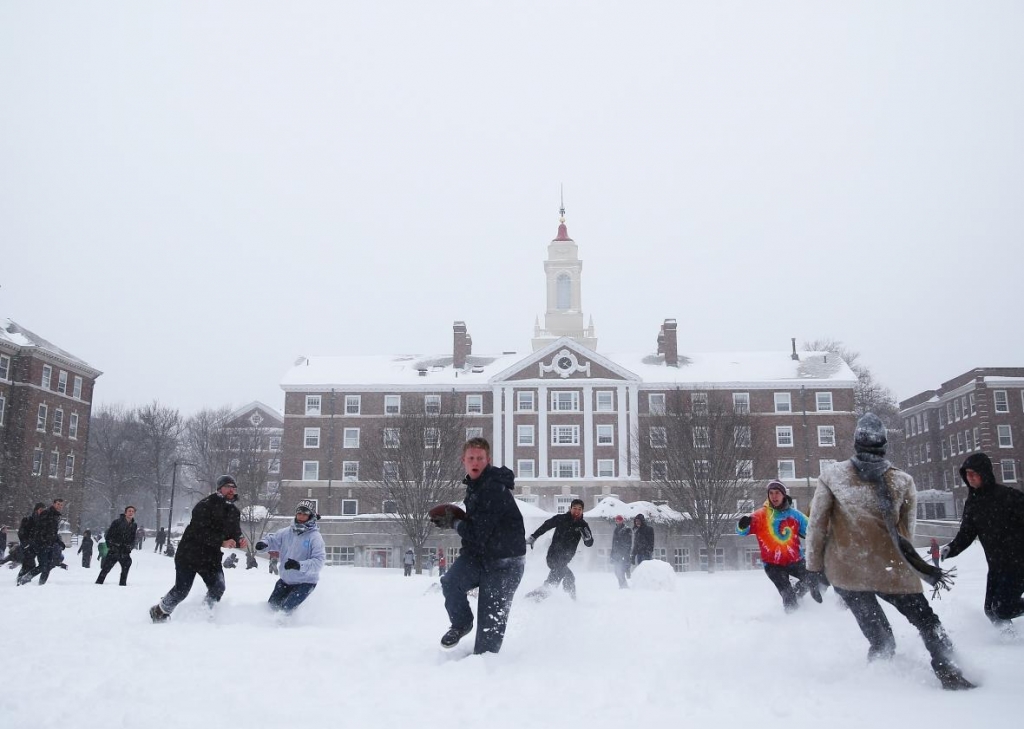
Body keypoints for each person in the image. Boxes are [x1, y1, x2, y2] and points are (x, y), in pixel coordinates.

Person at [805, 413, 974, 691]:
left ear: (856, 443)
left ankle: (879, 688)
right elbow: (906, 533)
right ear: (884, 444)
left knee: (881, 638)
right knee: (927, 621)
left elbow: (816, 527)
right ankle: (948, 669)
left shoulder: (832, 476)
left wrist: (813, 569)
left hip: (848, 573)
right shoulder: (902, 481)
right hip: (891, 569)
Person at [434, 437, 526, 654]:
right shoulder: (475, 486)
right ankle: (462, 623)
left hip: (506, 564)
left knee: (487, 639)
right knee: (451, 582)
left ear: (488, 460)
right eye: (471, 458)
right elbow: (477, 531)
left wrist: (455, 523)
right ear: (463, 461)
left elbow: (478, 531)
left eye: (480, 458)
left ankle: (484, 674)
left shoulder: (493, 488)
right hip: (480, 555)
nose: (475, 462)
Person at [941, 452, 1024, 631]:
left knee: (1002, 609)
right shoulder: (973, 503)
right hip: (996, 566)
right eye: (967, 474)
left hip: (1018, 564)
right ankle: (1009, 640)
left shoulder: (1009, 496)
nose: (969, 478)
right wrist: (951, 548)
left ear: (984, 473)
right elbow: (967, 534)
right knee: (990, 611)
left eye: (974, 473)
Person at [148, 475, 247, 622]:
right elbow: (199, 532)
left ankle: (203, 616)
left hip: (210, 558)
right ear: (219, 489)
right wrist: (222, 542)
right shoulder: (205, 505)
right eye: (228, 487)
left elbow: (234, 532)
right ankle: (159, 610)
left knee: (218, 588)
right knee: (182, 590)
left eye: (234, 487)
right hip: (189, 554)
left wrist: (239, 540)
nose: (231, 490)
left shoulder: (234, 511)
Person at [737, 480, 820, 612]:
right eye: (771, 493)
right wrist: (742, 525)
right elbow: (742, 532)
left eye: (777, 493)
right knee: (787, 594)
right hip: (773, 565)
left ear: (783, 495)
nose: (774, 496)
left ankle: (797, 594)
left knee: (814, 580)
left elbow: (812, 531)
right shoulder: (760, 516)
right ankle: (791, 621)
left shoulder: (795, 515)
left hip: (795, 561)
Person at [254, 500, 326, 613]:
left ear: (310, 516)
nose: (301, 516)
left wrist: (298, 565)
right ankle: (266, 629)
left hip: (305, 583)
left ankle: (289, 630)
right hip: (285, 581)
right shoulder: (286, 532)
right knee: (270, 609)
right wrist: (264, 544)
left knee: (285, 611)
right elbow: (272, 540)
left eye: (305, 514)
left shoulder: (315, 537)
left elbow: (319, 562)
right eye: (299, 513)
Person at [525, 498, 594, 600]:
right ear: (570, 508)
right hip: (553, 556)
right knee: (559, 578)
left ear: (582, 511)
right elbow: (546, 526)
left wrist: (588, 537)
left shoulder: (583, 525)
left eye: (579, 509)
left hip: (565, 559)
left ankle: (534, 597)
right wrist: (533, 537)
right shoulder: (561, 518)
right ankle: (572, 601)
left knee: (566, 578)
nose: (577, 511)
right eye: (574, 508)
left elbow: (589, 543)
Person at [18, 498, 66, 586]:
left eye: (61, 505)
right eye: (58, 504)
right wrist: (42, 540)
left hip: (50, 545)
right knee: (42, 566)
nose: (60, 506)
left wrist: (59, 542)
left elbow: (53, 532)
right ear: (54, 504)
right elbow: (39, 528)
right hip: (42, 545)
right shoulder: (47, 513)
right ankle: (24, 579)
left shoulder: (57, 516)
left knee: (48, 566)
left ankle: (41, 584)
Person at [96, 506, 138, 586]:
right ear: (125, 513)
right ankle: (99, 583)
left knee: (127, 565)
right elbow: (108, 535)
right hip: (114, 550)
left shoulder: (134, 525)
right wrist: (111, 546)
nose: (131, 513)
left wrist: (130, 547)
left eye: (133, 511)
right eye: (129, 511)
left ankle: (122, 584)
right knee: (106, 569)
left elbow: (133, 538)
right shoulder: (117, 522)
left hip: (125, 551)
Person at [15, 503, 45, 583]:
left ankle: (22, 579)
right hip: (28, 546)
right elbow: (21, 533)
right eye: (40, 510)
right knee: (28, 564)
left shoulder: (42, 521)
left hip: (36, 546)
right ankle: (21, 580)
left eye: (43, 510)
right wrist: (26, 543)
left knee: (29, 565)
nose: (42, 512)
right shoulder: (28, 519)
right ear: (36, 510)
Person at [610, 515, 633, 588]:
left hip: (623, 555)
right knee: (616, 571)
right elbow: (613, 543)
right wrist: (612, 555)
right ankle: (622, 585)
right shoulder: (616, 529)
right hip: (616, 555)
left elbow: (628, 543)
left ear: (622, 521)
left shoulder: (627, 529)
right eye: (617, 520)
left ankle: (624, 586)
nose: (618, 522)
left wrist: (623, 554)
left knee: (621, 571)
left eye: (619, 520)